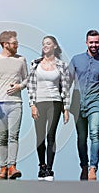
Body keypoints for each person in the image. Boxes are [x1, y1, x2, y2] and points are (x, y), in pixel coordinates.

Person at [69, 30, 99, 181]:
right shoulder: (76, 60)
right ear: (86, 43)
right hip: (77, 104)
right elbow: (66, 81)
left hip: (96, 103)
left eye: (96, 42)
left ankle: (92, 168)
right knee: (81, 138)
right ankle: (84, 165)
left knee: (94, 134)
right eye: (91, 42)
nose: (94, 45)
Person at [0, 31, 28, 180]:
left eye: (17, 43)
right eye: (14, 43)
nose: (17, 45)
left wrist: (19, 87)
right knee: (2, 137)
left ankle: (12, 167)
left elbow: (27, 79)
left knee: (13, 136)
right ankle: (2, 169)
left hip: (16, 103)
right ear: (5, 44)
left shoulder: (21, 60)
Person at [27, 36, 70, 181]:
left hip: (55, 102)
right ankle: (42, 167)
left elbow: (65, 87)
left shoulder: (61, 65)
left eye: (48, 43)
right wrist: (32, 104)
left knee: (51, 135)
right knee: (40, 137)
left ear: (55, 46)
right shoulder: (35, 64)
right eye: (43, 44)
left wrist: (66, 108)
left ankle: (50, 170)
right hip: (39, 102)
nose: (45, 46)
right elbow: (31, 87)